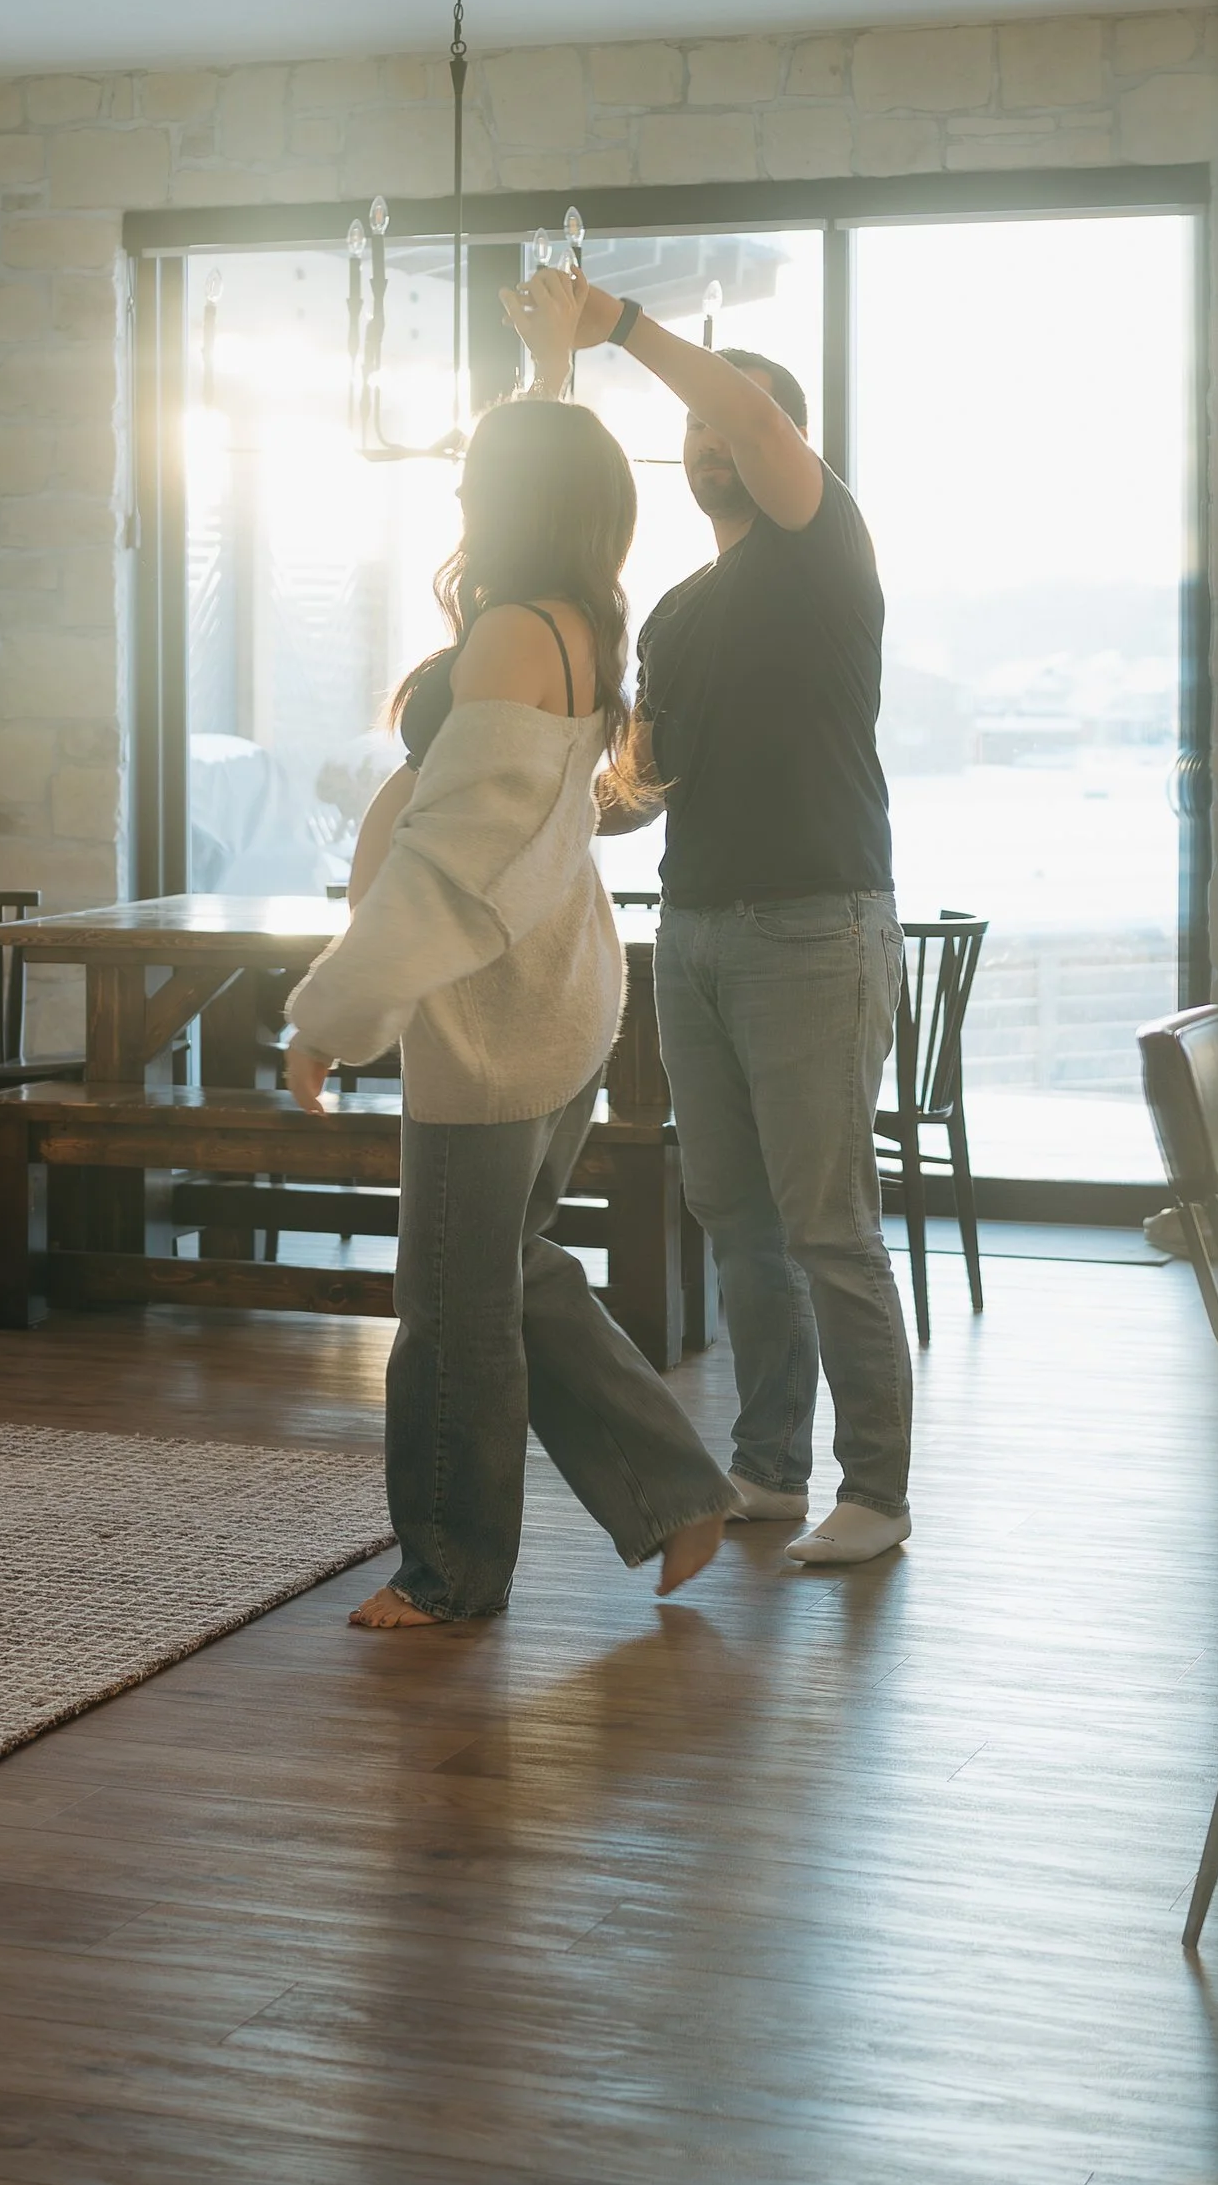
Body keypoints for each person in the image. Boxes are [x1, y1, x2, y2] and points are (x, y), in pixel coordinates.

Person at [283, 395, 736, 1629]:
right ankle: (677, 1488)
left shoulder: (508, 635)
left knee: (448, 1309)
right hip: (558, 993)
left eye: (478, 478)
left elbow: (453, 858)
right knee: (507, 1270)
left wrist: (331, 1010)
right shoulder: (578, 620)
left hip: (496, 1013)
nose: (460, 499)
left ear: (518, 498)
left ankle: (448, 1573)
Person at [506, 263, 913, 1569]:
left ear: (778, 444)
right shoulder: (679, 616)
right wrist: (547, 810)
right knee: (737, 1216)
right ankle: (770, 1467)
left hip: (816, 927)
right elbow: (641, 785)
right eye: (688, 437)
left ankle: (881, 1491)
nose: (705, 446)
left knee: (828, 1225)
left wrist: (616, 325)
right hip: (698, 935)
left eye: (726, 428)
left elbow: (746, 416)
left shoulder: (823, 546)